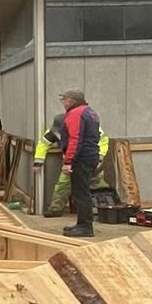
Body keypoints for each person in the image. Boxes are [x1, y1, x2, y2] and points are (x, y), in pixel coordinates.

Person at [60, 89, 102, 238]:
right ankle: (81, 224)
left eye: (64, 100)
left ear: (71, 101)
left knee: (81, 193)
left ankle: (85, 227)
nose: (63, 103)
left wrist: (68, 161)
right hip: (90, 155)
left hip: (81, 158)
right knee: (82, 191)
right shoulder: (90, 112)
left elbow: (75, 138)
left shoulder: (76, 113)